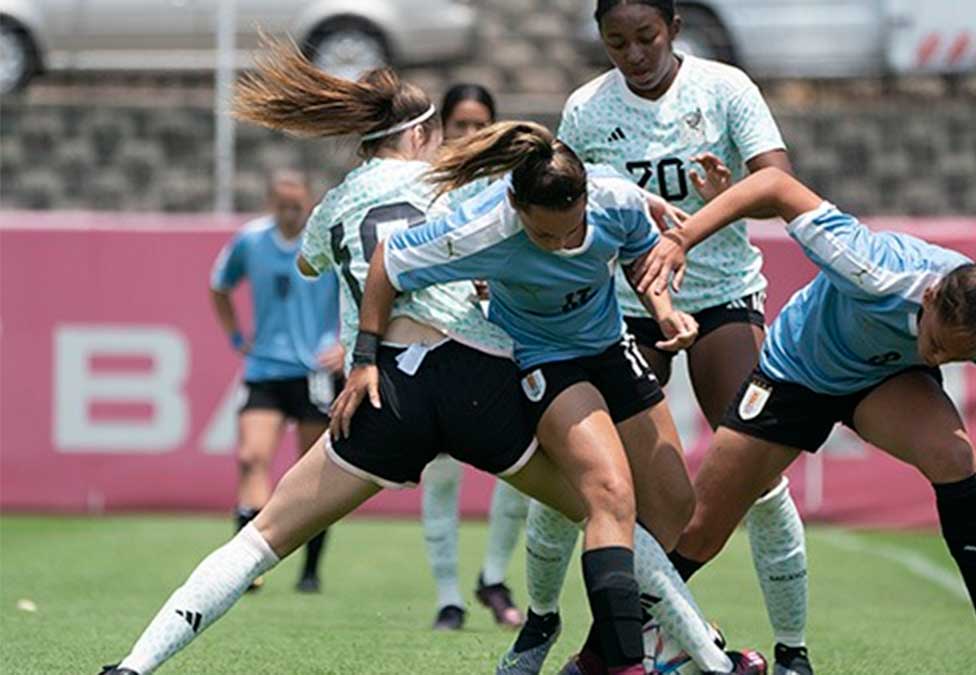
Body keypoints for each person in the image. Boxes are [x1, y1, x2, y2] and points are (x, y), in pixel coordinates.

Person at [99, 42, 757, 675]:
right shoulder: (457, 184)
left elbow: (310, 261)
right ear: (422, 136)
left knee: (257, 540)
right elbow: (551, 180)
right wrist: (634, 196)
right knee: (606, 507)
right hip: (479, 374)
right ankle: (706, 654)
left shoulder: (336, 205)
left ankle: (132, 664)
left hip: (388, 390)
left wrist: (361, 355)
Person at [633, 167, 976, 675]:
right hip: (797, 369)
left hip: (883, 382)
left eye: (957, 356)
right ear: (929, 298)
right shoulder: (871, 266)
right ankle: (612, 647)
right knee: (699, 533)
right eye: (936, 343)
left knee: (955, 456)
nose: (937, 359)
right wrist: (680, 237)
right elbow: (774, 185)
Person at [369, 120, 766, 674]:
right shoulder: (486, 225)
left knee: (675, 509)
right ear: (516, 206)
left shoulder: (618, 200)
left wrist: (665, 311)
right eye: (543, 237)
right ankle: (630, 660)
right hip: (543, 361)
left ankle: (599, 658)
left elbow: (641, 256)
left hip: (608, 346)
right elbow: (387, 261)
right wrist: (365, 356)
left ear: (586, 199)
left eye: (570, 231)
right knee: (610, 494)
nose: (559, 246)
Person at [517, 2, 813, 673]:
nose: (634, 54)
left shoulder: (725, 89)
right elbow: (566, 206)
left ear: (675, 29)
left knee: (759, 471)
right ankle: (539, 627)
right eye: (616, 41)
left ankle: (792, 649)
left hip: (719, 297)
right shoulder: (586, 108)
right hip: (617, 308)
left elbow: (779, 185)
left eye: (647, 37)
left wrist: (720, 199)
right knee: (593, 479)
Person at [420, 81, 528, 631]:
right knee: (440, 471)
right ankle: (447, 596)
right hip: (441, 337)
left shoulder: (514, 187)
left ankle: (492, 576)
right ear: (441, 130)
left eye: (477, 124)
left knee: (521, 471)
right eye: (458, 125)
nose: (468, 135)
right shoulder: (425, 187)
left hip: (504, 335)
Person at [208, 169, 341, 593]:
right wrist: (235, 336)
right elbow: (219, 286)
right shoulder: (251, 241)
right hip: (265, 367)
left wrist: (347, 344)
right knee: (251, 457)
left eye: (297, 205)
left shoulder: (326, 241)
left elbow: (363, 290)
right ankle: (246, 565)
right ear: (271, 203)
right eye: (282, 205)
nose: (289, 213)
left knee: (313, 474)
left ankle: (310, 569)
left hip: (314, 371)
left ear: (308, 202)